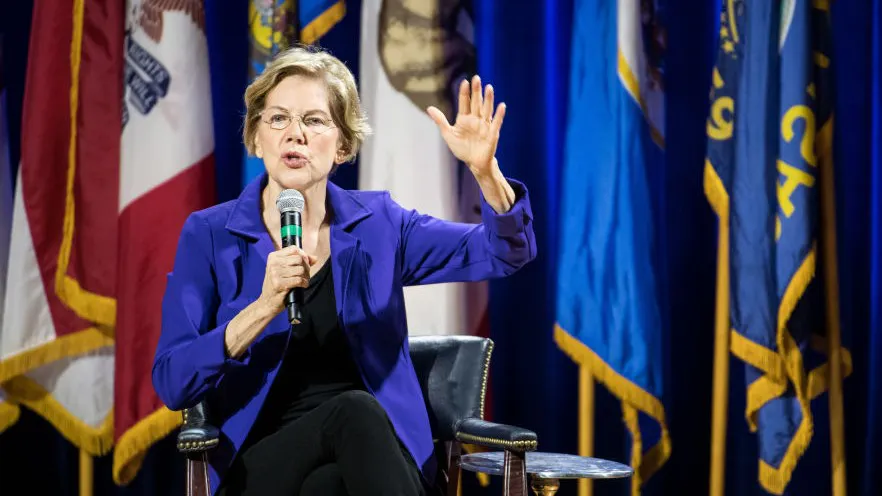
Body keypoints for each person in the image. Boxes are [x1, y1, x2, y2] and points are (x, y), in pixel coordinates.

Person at [152, 45, 537, 496]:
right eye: (278, 119)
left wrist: (485, 173)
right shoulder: (210, 234)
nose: (294, 134)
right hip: (260, 464)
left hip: (368, 457)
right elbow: (173, 381)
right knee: (352, 411)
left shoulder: (380, 225)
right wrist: (262, 308)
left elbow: (504, 251)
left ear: (344, 146)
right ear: (256, 138)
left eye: (314, 121)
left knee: (330, 484)